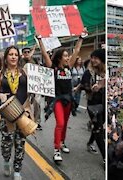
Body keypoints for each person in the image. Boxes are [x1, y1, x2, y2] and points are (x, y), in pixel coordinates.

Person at [38, 28, 87, 162]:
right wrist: (40, 40)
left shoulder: (68, 67)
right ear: (60, 57)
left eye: (68, 56)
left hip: (68, 99)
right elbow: (44, 53)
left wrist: (81, 38)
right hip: (57, 100)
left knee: (65, 123)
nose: (68, 57)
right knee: (59, 123)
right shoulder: (53, 67)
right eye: (65, 56)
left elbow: (76, 51)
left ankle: (63, 142)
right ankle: (56, 150)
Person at [0, 45, 31, 180]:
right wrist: (1, 96)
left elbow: (31, 91)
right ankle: (6, 160)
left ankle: (17, 171)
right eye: (11, 54)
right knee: (6, 142)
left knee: (20, 143)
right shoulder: (0, 74)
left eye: (16, 54)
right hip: (7, 113)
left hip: (22, 112)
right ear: (6, 57)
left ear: (18, 57)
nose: (14, 57)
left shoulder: (25, 73)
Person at [78, 49, 105, 161]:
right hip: (92, 105)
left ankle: (90, 142)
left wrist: (102, 86)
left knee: (98, 126)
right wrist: (92, 88)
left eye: (96, 58)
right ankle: (105, 157)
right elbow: (83, 85)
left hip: (103, 103)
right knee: (99, 129)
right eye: (92, 57)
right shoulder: (88, 72)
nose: (93, 60)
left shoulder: (105, 72)